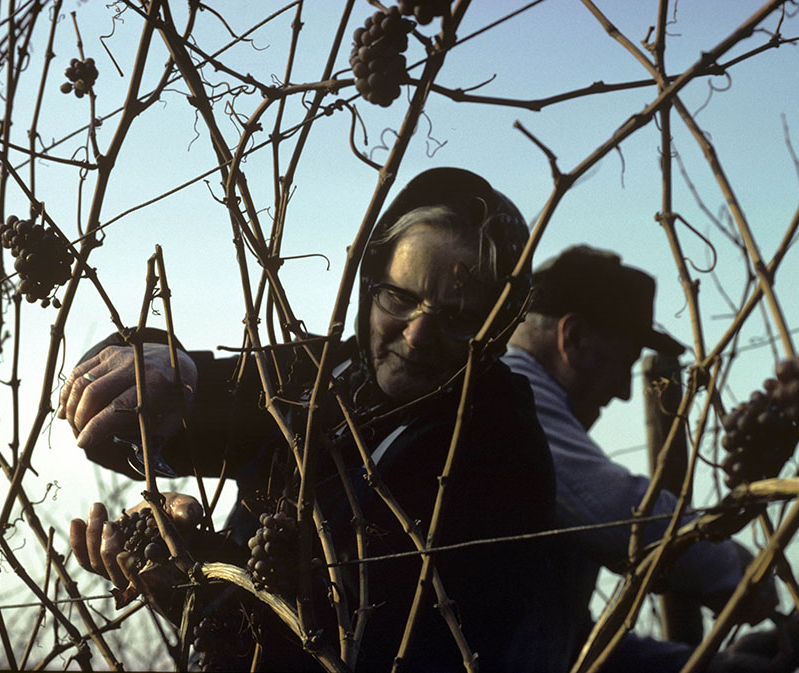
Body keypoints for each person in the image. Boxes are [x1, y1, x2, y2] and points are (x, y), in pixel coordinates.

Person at [59, 167, 573, 671]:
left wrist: (189, 570)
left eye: (459, 316)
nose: (417, 336)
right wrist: (162, 368)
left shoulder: (498, 451)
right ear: (370, 284)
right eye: (400, 298)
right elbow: (189, 403)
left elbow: (339, 642)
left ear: (498, 326)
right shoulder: (331, 370)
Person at [502, 245, 781, 671]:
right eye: (622, 364)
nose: (625, 393)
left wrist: (704, 666)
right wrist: (731, 564)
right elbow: (623, 515)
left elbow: (570, 648)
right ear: (572, 337)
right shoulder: (506, 396)